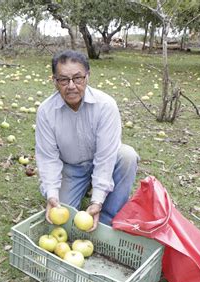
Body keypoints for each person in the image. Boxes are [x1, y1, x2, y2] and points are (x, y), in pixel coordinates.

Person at [35, 50, 139, 232]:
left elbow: (106, 157)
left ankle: (108, 219)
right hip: (71, 168)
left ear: (87, 77)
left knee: (127, 155)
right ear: (54, 81)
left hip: (102, 161)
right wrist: (51, 194)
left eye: (78, 78)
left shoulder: (105, 106)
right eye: (63, 80)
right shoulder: (46, 111)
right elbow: (47, 158)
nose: (71, 86)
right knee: (62, 223)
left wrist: (97, 201)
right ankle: (83, 186)